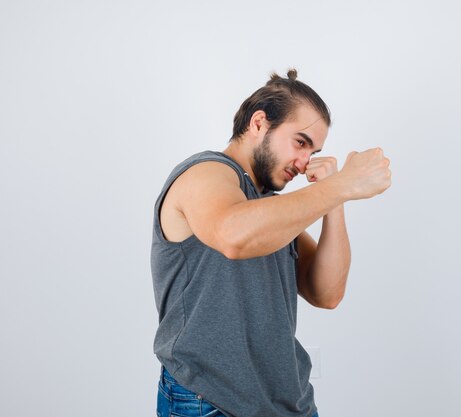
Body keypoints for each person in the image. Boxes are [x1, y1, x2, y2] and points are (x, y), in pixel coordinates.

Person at [151, 69, 391, 417]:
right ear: (259, 123)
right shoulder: (205, 172)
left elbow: (327, 293)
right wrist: (343, 185)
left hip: (288, 402)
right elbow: (233, 236)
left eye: (314, 150)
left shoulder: (267, 209)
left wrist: (335, 199)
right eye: (300, 142)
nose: (305, 161)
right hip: (210, 402)